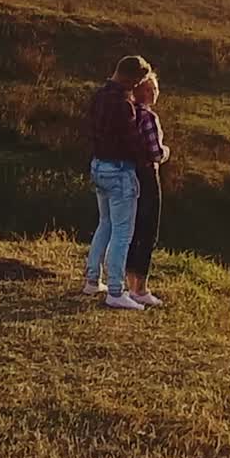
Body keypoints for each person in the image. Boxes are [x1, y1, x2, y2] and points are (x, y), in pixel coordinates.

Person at [82, 55, 153, 311]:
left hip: (98, 165)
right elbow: (133, 142)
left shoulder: (98, 97)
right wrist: (150, 158)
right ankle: (115, 290)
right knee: (123, 232)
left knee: (105, 223)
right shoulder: (124, 104)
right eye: (138, 81)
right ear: (131, 78)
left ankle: (92, 279)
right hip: (120, 170)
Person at [125, 73, 170, 307]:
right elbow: (156, 152)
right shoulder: (148, 117)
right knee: (149, 231)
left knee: (134, 229)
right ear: (146, 92)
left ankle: (129, 281)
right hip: (148, 173)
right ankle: (140, 288)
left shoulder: (130, 114)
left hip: (131, 173)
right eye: (153, 87)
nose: (156, 91)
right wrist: (166, 152)